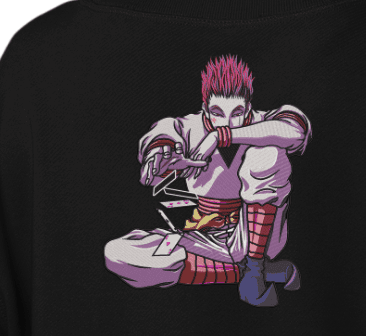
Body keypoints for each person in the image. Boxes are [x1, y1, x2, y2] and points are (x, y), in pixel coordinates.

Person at [104, 54, 312, 306]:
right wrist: (160, 154)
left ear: (248, 108)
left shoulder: (265, 122)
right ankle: (253, 272)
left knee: (267, 153)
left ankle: (255, 268)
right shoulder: (188, 127)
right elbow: (163, 134)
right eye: (217, 113)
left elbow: (295, 131)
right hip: (201, 234)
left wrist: (220, 136)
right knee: (117, 254)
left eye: (237, 113)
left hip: (257, 235)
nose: (227, 122)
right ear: (205, 109)